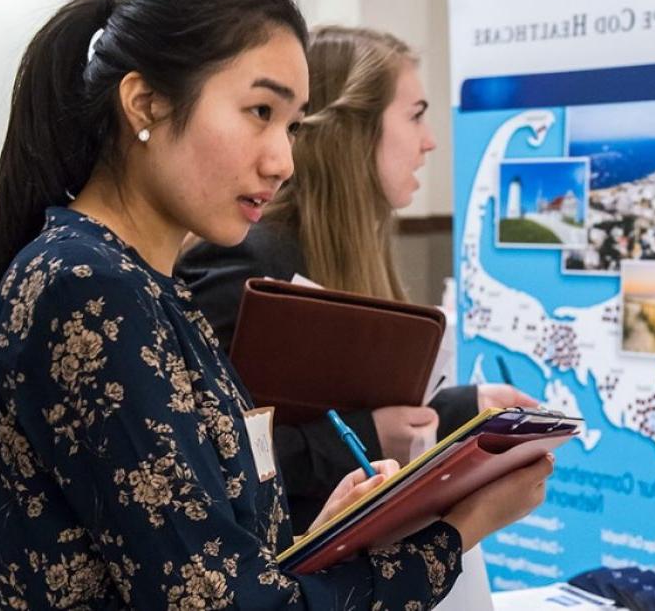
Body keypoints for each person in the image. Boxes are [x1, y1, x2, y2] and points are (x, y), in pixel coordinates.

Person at [0, 0, 550, 609]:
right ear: (145, 104)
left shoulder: (141, 283)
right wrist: (459, 530)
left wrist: (323, 531)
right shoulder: (90, 288)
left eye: (294, 125)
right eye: (259, 112)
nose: (283, 161)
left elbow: (194, 545)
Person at [177, 26, 538, 530]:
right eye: (415, 116)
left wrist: (462, 409)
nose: (430, 141)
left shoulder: (343, 247)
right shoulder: (247, 259)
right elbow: (206, 461)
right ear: (354, 131)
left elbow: (345, 402)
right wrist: (368, 436)